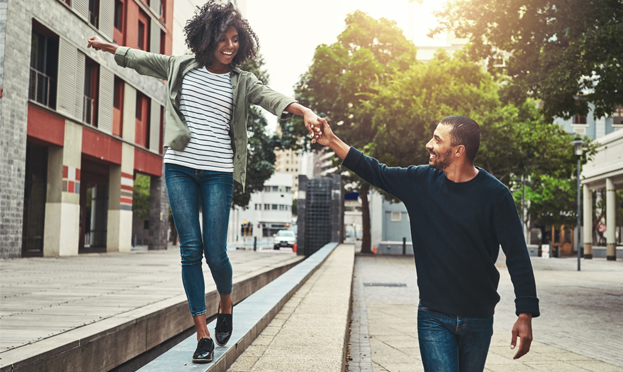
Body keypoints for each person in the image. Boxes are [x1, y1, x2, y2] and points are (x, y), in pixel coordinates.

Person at [87, 1, 321, 364]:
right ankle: (202, 332)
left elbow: (273, 98)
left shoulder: (242, 81)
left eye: (236, 40)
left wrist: (304, 110)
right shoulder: (181, 67)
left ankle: (226, 304)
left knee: (216, 251)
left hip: (218, 172)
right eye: (223, 39)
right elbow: (143, 58)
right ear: (207, 38)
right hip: (179, 167)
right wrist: (111, 49)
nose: (230, 46)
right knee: (190, 250)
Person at [313, 115, 539, 372]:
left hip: (479, 316)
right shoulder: (420, 181)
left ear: (457, 151)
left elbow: (518, 255)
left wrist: (525, 313)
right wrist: (330, 140)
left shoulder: (496, 196)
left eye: (437, 140)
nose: (428, 144)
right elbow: (373, 169)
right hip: (433, 315)